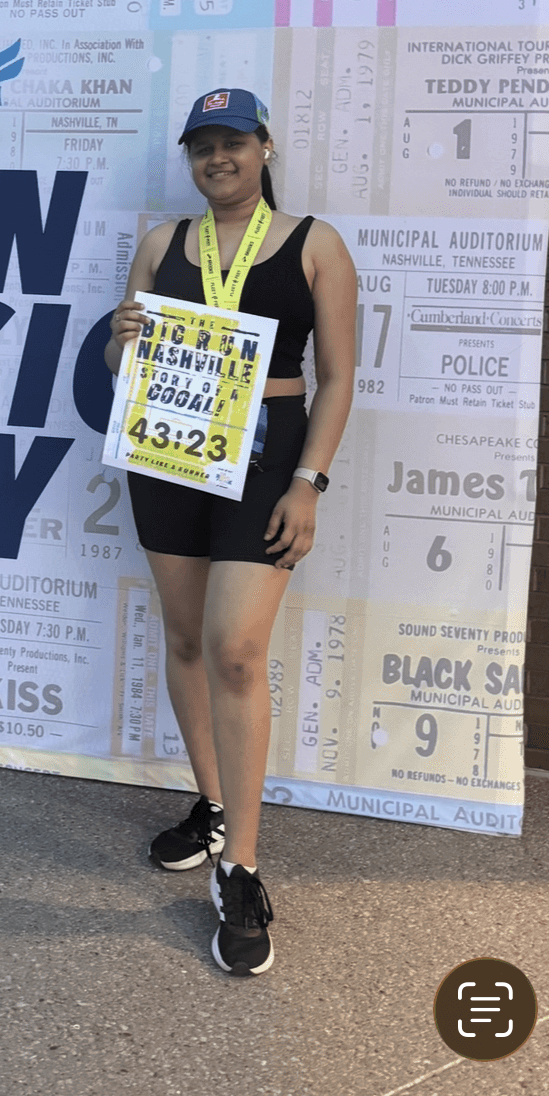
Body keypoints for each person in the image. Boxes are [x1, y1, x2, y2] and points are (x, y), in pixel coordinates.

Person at [106, 89, 357, 977]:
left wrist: (307, 483)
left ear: (263, 147)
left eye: (233, 142)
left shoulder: (314, 243)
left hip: (267, 453)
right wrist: (120, 338)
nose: (217, 157)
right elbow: (123, 359)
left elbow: (337, 376)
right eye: (202, 146)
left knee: (236, 651)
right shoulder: (160, 244)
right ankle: (210, 806)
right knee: (184, 638)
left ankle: (240, 869)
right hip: (170, 447)